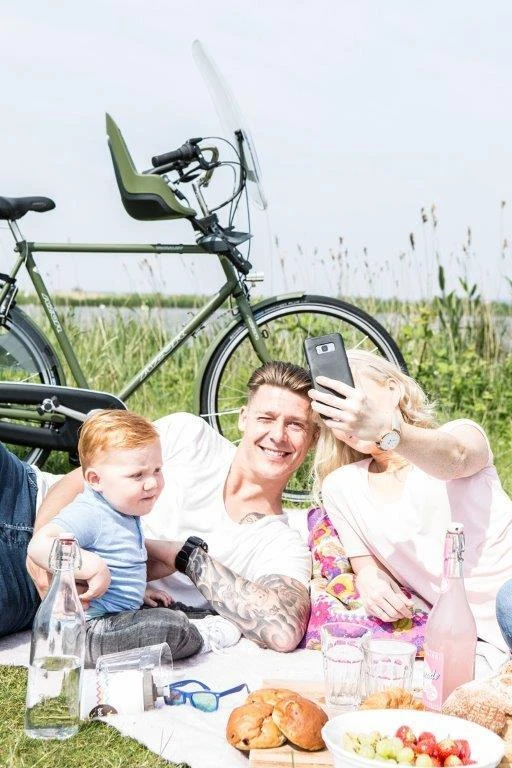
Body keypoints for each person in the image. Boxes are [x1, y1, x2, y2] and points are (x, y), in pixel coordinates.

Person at [5, 361, 317, 652]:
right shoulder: (191, 436)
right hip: (25, 493)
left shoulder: (281, 543)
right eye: (266, 418)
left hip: (49, 595)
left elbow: (283, 630)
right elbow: (74, 482)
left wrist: (186, 556)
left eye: (295, 425)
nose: (278, 435)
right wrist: (43, 550)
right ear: (243, 417)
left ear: (313, 438)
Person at [306, 348, 512, 654]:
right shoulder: (341, 487)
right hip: (485, 630)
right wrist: (369, 580)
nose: (347, 412)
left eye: (352, 395)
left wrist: (386, 430)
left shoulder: (459, 433)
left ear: (393, 389)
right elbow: (367, 566)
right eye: (332, 406)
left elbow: (456, 459)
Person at [27, 409, 241, 667]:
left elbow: (120, 563)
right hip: (85, 632)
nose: (152, 483)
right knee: (167, 628)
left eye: (157, 470)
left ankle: (195, 621)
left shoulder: (123, 512)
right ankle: (201, 637)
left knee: (169, 612)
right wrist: (89, 565)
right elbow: (39, 545)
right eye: (137, 475)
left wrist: (139, 591)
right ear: (95, 479)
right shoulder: (91, 513)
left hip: (115, 619)